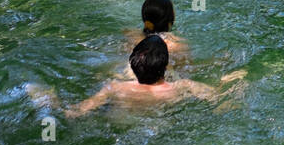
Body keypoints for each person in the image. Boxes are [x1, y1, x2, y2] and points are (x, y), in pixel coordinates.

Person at [66, 33, 241, 115]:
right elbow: (219, 100)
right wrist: (230, 80)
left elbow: (75, 112)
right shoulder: (182, 87)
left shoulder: (114, 87)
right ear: (165, 66)